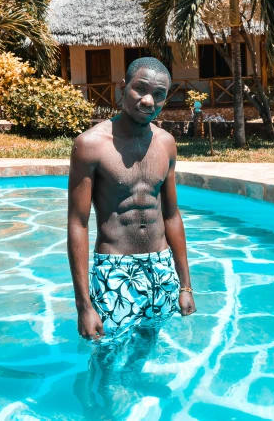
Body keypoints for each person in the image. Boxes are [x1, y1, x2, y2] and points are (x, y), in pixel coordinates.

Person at [67, 56, 196, 343]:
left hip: (162, 268)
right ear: (122, 88)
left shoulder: (166, 143)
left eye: (159, 94)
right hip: (115, 270)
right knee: (107, 358)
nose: (149, 101)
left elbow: (172, 215)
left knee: (152, 346)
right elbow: (77, 223)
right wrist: (83, 306)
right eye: (140, 89)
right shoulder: (90, 145)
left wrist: (185, 286)